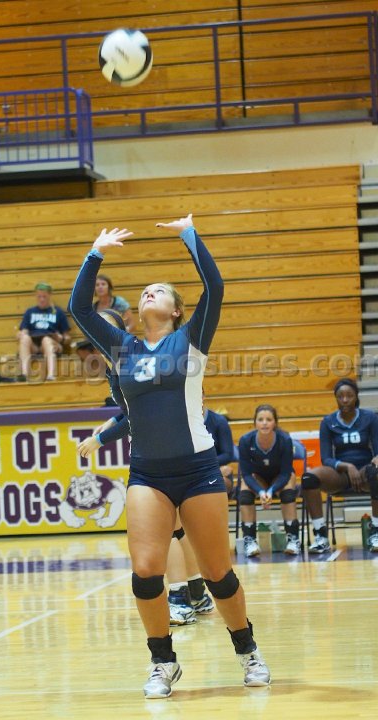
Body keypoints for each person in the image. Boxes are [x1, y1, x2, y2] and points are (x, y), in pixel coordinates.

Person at [69, 213, 270, 698]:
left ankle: (247, 650)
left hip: (198, 470)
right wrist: (95, 252)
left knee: (218, 573)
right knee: (145, 571)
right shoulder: (122, 347)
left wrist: (189, 235)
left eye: (159, 291)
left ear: (177, 310)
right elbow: (79, 308)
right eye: (144, 292)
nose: (148, 294)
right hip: (147, 474)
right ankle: (163, 661)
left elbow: (215, 287)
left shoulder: (191, 339)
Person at [302, 378, 378, 553]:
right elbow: (326, 459)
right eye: (340, 396)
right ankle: (321, 535)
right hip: (340, 474)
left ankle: (375, 531)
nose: (345, 400)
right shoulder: (328, 422)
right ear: (335, 398)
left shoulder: (370, 418)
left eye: (349, 396)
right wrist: (347, 466)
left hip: (366, 472)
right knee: (308, 478)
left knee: (376, 473)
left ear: (356, 396)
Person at [238, 404, 301, 557]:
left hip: (279, 477)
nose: (264, 423)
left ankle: (293, 539)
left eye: (269, 419)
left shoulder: (285, 440)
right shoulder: (245, 441)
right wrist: (261, 491)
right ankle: (249, 540)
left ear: (275, 423)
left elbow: (286, 473)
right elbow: (246, 474)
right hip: (258, 477)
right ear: (255, 423)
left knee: (288, 493)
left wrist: (271, 491)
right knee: (245, 494)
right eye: (260, 419)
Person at [18, 282, 71, 381]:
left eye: (44, 296)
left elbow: (67, 337)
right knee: (24, 338)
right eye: (39, 296)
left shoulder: (58, 312)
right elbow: (24, 330)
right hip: (34, 344)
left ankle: (51, 375)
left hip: (52, 343)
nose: (42, 299)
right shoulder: (30, 312)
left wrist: (61, 338)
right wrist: (21, 334)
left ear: (50, 296)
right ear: (35, 296)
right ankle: (24, 374)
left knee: (46, 340)